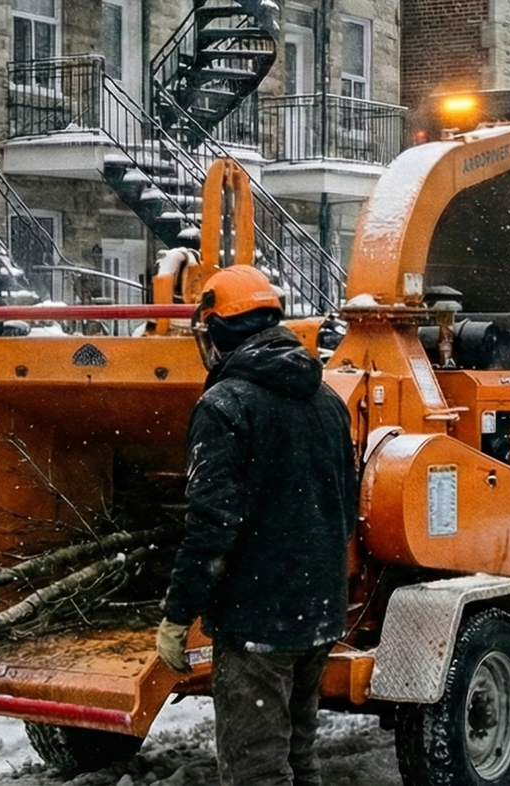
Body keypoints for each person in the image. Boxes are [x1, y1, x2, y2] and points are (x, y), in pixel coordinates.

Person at [153, 266, 359, 786]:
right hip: (319, 610)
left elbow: (212, 525)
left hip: (257, 620)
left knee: (256, 772)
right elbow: (346, 504)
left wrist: (179, 615)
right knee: (299, 757)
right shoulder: (329, 401)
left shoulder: (224, 406)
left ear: (220, 329)